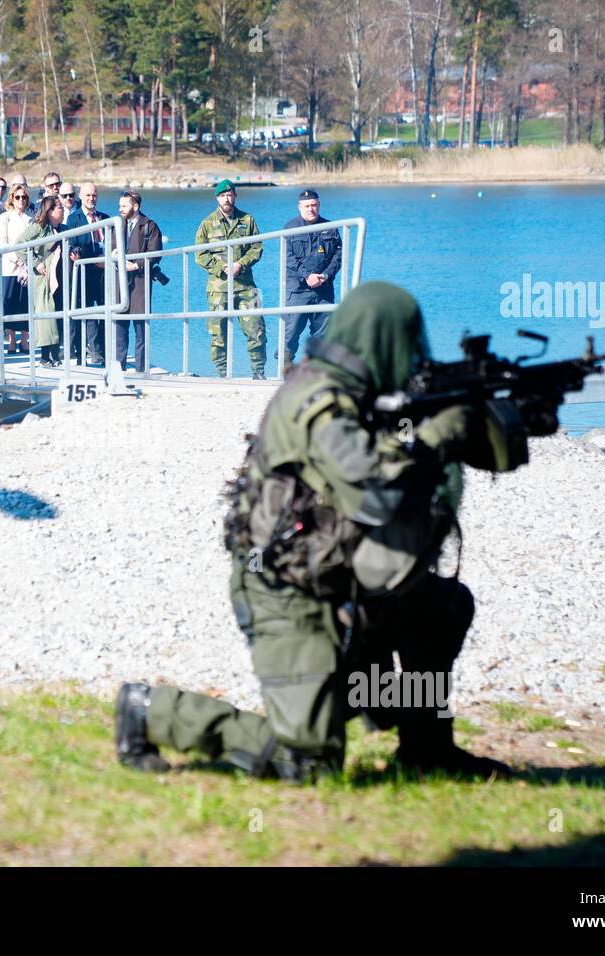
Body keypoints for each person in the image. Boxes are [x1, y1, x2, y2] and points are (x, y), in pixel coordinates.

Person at [115, 281, 514, 782]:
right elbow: (376, 492)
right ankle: (151, 710)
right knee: (308, 763)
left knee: (439, 608)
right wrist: (440, 432)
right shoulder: (319, 400)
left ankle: (427, 750)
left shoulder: (362, 395)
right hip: (285, 592)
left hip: (335, 576)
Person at [195, 179, 266, 379]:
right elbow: (200, 254)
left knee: (257, 329)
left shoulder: (247, 220)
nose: (227, 199)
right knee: (218, 334)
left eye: (230, 195)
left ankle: (258, 372)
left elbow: (257, 247)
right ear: (217, 198)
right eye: (223, 195)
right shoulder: (207, 224)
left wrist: (240, 264)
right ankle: (222, 374)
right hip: (218, 287)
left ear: (235, 196)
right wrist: (221, 268)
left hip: (245, 285)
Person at [283, 188, 343, 364]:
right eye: (307, 206)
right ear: (300, 207)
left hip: (323, 290)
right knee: (291, 332)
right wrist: (308, 276)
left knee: (323, 334)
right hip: (298, 289)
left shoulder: (330, 228)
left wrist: (324, 275)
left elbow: (338, 257)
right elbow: (289, 260)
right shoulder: (290, 228)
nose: (311, 209)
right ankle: (285, 368)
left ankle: (316, 369)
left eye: (314, 205)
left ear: (319, 205)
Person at [116, 189, 162, 372]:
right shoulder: (117, 224)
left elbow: (156, 254)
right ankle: (119, 367)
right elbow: (111, 246)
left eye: (124, 206)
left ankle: (141, 368)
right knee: (120, 326)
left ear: (135, 206)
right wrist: (113, 254)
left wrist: (136, 265)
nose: (120, 209)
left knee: (141, 327)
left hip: (141, 281)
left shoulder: (149, 225)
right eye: (119, 205)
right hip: (120, 282)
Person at [16, 196, 65, 367]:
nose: (63, 209)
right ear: (49, 211)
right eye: (59, 207)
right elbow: (19, 245)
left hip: (57, 277)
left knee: (55, 314)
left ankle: (52, 355)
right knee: (46, 317)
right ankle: (47, 356)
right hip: (42, 278)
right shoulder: (38, 227)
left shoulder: (61, 229)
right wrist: (36, 263)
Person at [64, 181, 109, 365]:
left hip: (105, 273)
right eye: (88, 195)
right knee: (88, 313)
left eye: (94, 195)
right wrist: (89, 258)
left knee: (106, 313)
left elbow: (112, 242)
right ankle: (92, 351)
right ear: (81, 197)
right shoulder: (74, 219)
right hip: (85, 273)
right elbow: (73, 244)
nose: (91, 199)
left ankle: (106, 351)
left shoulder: (104, 217)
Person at [0, 183, 34, 354]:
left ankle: (24, 340)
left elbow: (34, 242)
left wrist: (26, 263)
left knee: (26, 303)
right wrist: (17, 260)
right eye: (17, 197)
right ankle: (11, 340)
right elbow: (2, 242)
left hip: (27, 267)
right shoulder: (5, 217)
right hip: (10, 267)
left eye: (24, 197)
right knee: (10, 303)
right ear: (12, 198)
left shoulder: (31, 218)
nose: (21, 200)